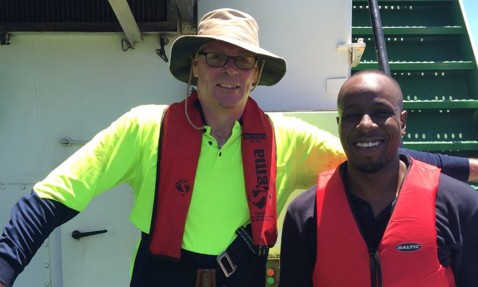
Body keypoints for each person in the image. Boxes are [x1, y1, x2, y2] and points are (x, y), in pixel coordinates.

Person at [0, 8, 476, 287]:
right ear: (195, 67)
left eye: (242, 60)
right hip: (159, 276)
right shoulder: (144, 127)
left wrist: (470, 168)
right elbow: (51, 200)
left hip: (242, 277)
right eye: (216, 57)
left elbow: (384, 159)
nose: (229, 70)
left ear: (255, 74)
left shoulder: (284, 137)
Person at [279, 70, 478, 287]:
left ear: (402, 122)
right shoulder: (304, 215)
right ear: (339, 124)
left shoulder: (460, 206)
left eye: (381, 112)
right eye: (352, 115)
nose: (365, 124)